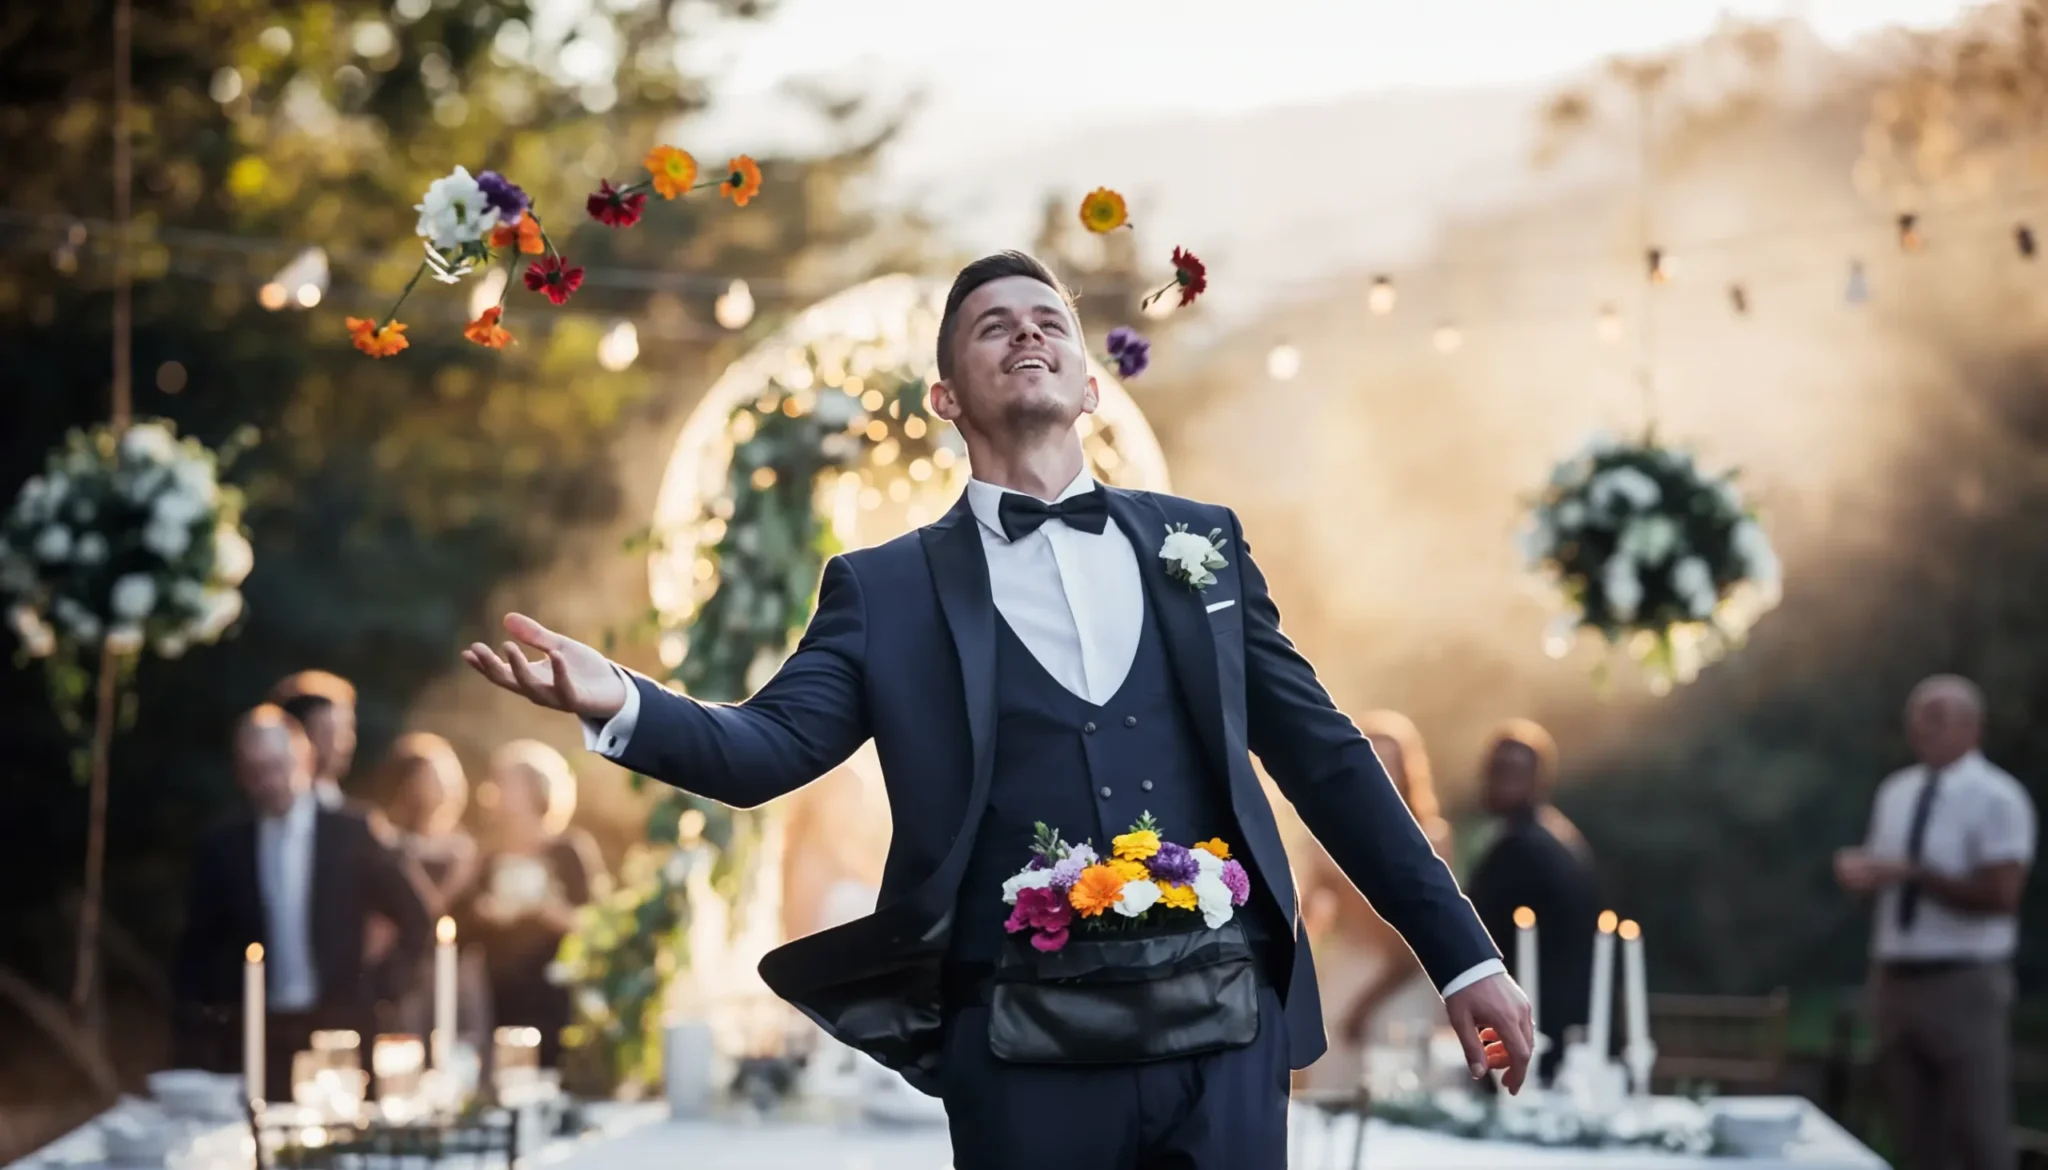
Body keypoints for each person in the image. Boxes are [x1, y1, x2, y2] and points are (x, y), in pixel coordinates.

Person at [462, 251, 1532, 1168]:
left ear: (1089, 385)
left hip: (1224, 1033)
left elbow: (1328, 760)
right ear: (944, 397)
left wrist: (1464, 957)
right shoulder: (882, 590)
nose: (1025, 335)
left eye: (1047, 322)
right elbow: (765, 747)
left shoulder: (1195, 543)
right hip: (1020, 1049)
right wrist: (625, 706)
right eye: (990, 326)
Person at [172, 705, 432, 1102]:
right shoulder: (224, 846)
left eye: (277, 766)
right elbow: (199, 946)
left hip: (341, 1030)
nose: (270, 781)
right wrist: (213, 1018)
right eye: (257, 771)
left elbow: (417, 918)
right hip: (260, 1033)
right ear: (242, 774)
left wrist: (383, 988)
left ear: (305, 760)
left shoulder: (352, 831)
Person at [1833, 675, 2034, 1170]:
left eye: (1936, 716)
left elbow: (2002, 895)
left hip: (1962, 982)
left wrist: (1916, 875)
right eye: (1916, 718)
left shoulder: (1998, 798)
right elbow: (1887, 880)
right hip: (1896, 979)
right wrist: (1865, 878)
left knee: (1978, 1131)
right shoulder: (1896, 792)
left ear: (1972, 726)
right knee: (1913, 1134)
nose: (1922, 729)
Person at [1292, 710, 1454, 1094]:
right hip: (1347, 969)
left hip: (1405, 979)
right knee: (1331, 1080)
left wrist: (1366, 1004)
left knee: (1396, 1081)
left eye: (1391, 764)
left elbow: (1429, 933)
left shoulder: (1432, 839)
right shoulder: (1327, 834)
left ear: (1406, 772)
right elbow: (1308, 918)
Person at [1465, 718, 1599, 1084]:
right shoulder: (1556, 835)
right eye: (1496, 770)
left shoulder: (1521, 848)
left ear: (1537, 779)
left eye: (1512, 772)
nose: (1498, 781)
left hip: (1531, 1023)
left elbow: (1475, 932)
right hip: (1557, 1015)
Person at [459, 739, 606, 1069]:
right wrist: (484, 912)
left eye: (506, 782)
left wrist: (546, 910)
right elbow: (460, 929)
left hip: (557, 997)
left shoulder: (568, 852)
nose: (496, 790)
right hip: (501, 1001)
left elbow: (596, 927)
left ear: (535, 789)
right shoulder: (488, 859)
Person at [379, 732, 486, 1039]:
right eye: (430, 778)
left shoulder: (469, 848)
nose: (441, 788)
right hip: (410, 971)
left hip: (461, 973)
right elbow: (419, 911)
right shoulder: (393, 845)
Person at [270, 670, 359, 811]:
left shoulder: (358, 821)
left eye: (349, 729)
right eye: (331, 733)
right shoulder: (266, 814)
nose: (348, 742)